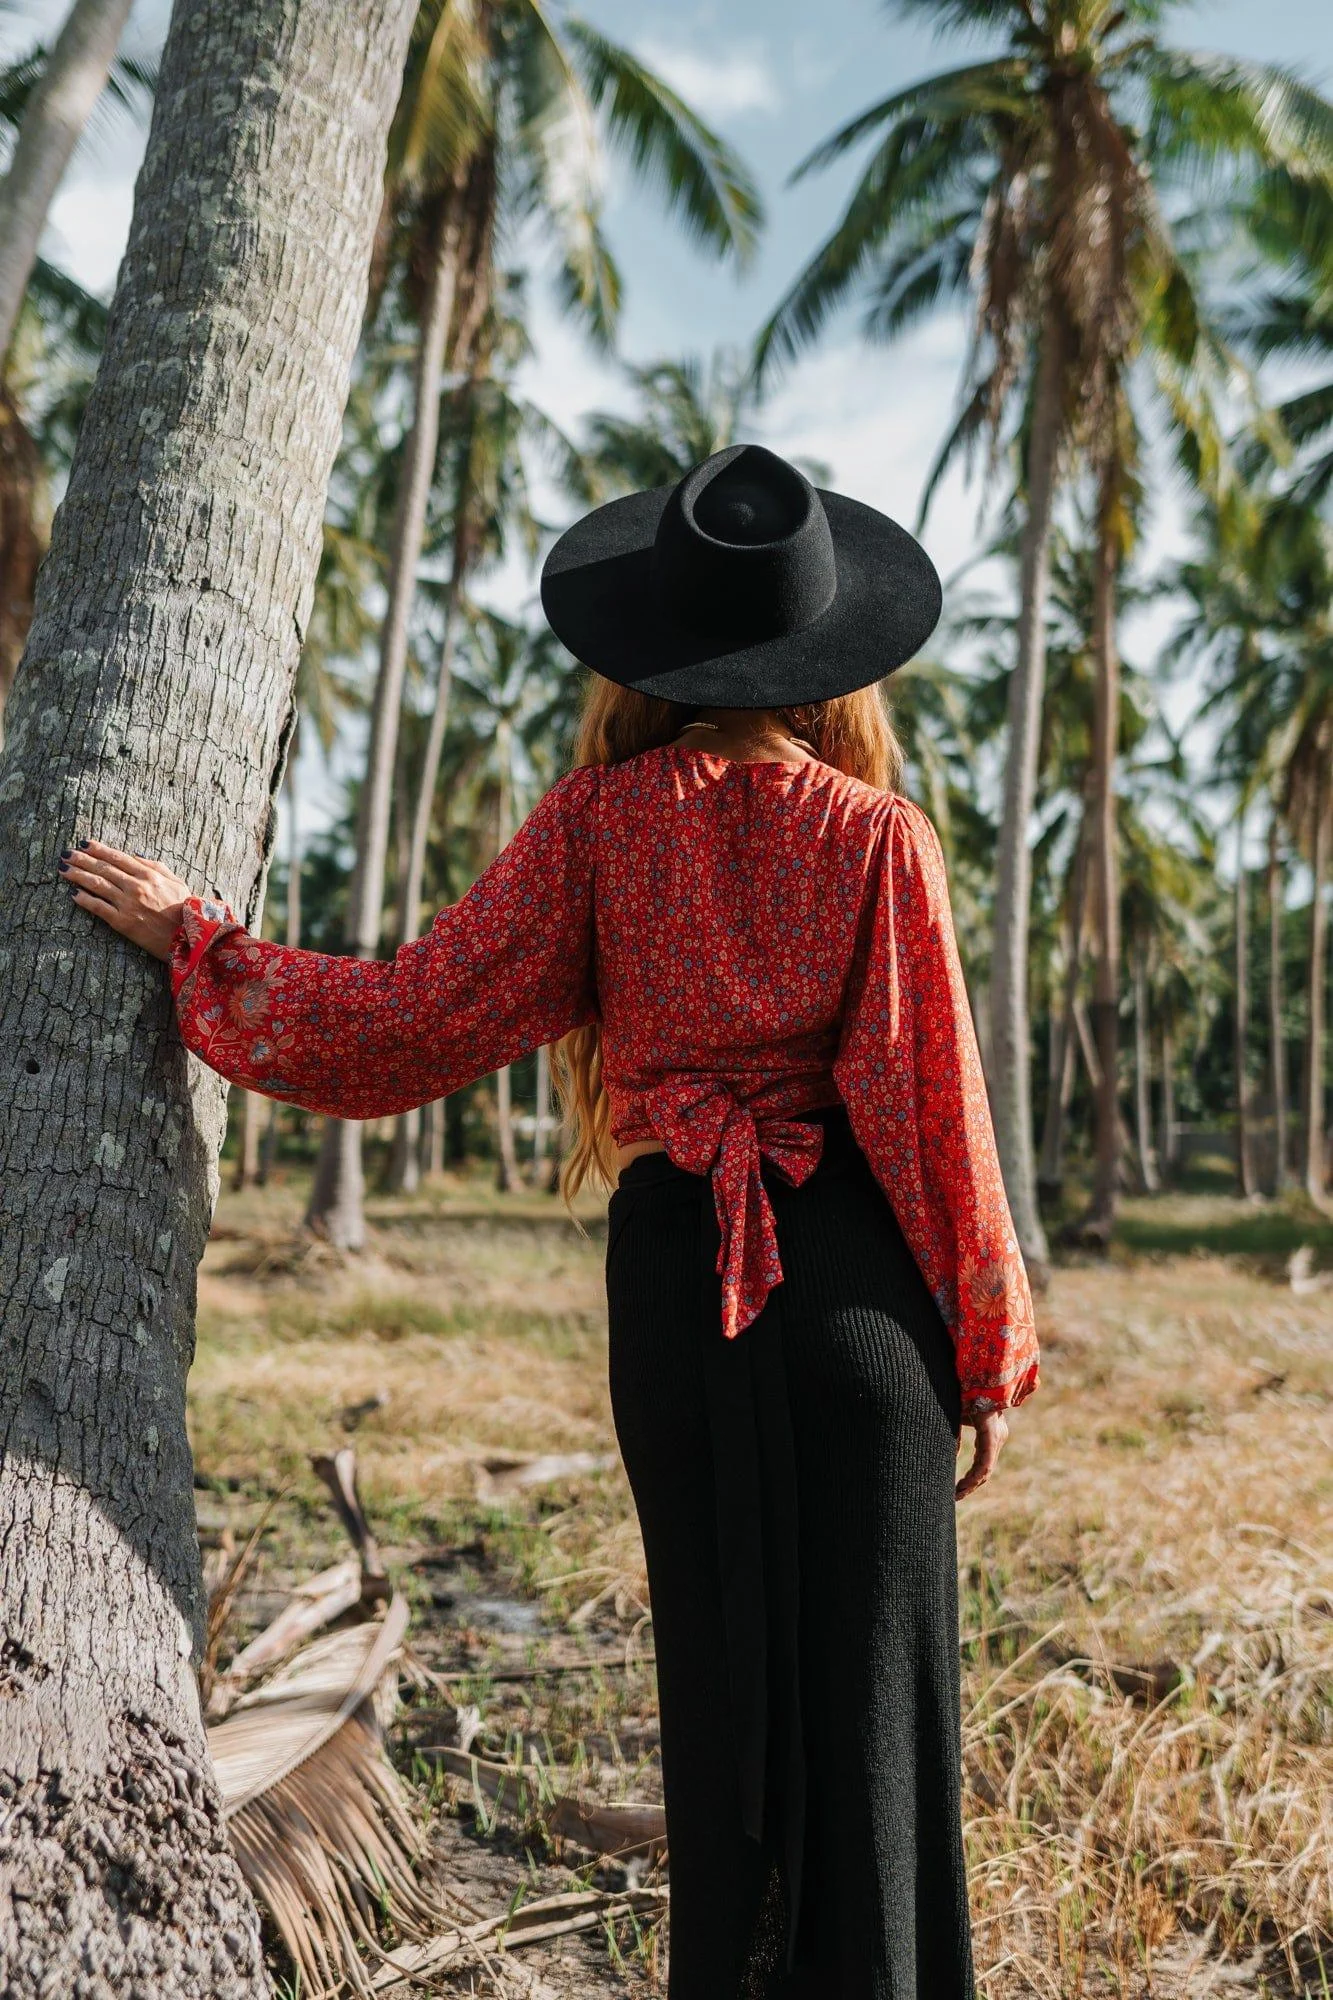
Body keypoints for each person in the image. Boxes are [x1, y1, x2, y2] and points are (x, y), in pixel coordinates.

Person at [60, 444, 1039, 1999]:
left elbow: (404, 1025)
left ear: (655, 646)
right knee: (879, 1725)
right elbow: (939, 1131)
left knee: (718, 1709)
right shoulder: (879, 836)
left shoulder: (600, 826)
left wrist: (205, 944)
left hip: (676, 1286)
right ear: (824, 654)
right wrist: (985, 1358)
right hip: (860, 1300)